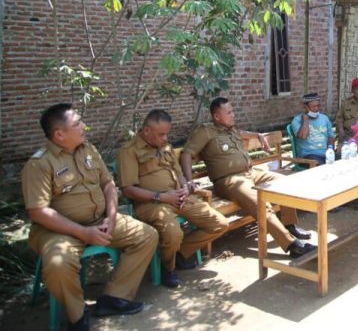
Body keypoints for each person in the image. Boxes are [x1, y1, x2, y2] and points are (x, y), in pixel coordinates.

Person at [22, 104, 158, 331]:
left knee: (147, 235)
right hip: (58, 231)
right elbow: (38, 212)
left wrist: (111, 217)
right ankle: (77, 316)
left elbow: (108, 184)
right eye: (77, 123)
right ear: (59, 134)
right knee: (58, 264)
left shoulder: (89, 150)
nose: (84, 126)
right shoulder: (39, 164)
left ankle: (114, 298)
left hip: (100, 222)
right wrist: (83, 233)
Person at [181, 97, 315, 258]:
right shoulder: (205, 132)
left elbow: (243, 133)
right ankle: (291, 245)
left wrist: (258, 135)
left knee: (284, 184)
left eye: (233, 111)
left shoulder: (231, 129)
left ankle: (290, 225)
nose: (233, 115)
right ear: (217, 116)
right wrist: (189, 181)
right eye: (229, 112)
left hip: (251, 173)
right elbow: (187, 154)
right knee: (259, 202)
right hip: (229, 181)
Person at [117, 109, 228, 288]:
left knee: (219, 223)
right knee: (173, 232)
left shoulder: (165, 147)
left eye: (167, 133)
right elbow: (128, 190)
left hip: (178, 198)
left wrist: (184, 187)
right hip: (151, 203)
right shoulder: (128, 152)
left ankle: (178, 254)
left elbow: (178, 173)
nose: (165, 138)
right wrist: (162, 197)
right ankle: (168, 268)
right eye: (161, 134)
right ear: (146, 131)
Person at [291, 92, 335, 164]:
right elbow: (303, 136)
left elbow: (330, 137)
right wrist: (305, 119)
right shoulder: (297, 120)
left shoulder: (324, 118)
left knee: (344, 160)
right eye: (313, 106)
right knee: (322, 166)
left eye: (318, 106)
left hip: (325, 154)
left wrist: (331, 150)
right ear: (305, 106)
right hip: (308, 155)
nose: (316, 109)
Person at [336, 77, 358, 145]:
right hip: (347, 136)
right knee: (341, 154)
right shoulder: (346, 103)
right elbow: (339, 119)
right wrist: (341, 131)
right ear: (352, 91)